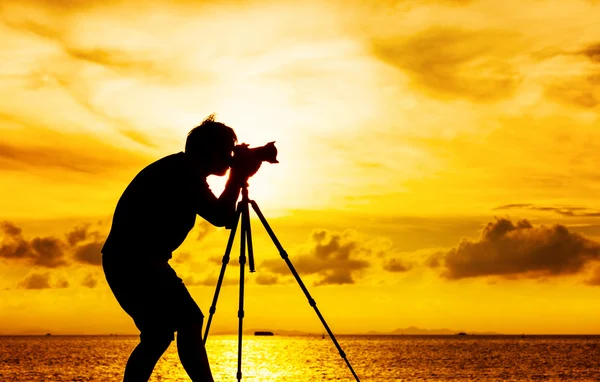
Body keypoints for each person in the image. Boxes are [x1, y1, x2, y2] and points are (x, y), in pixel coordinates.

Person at [101, 114, 261, 382]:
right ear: (210, 151)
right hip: (136, 261)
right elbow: (220, 216)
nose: (229, 157)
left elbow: (223, 216)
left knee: (157, 335)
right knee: (188, 320)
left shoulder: (183, 170)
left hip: (130, 261)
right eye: (227, 151)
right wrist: (237, 176)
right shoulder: (182, 172)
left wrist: (238, 177)